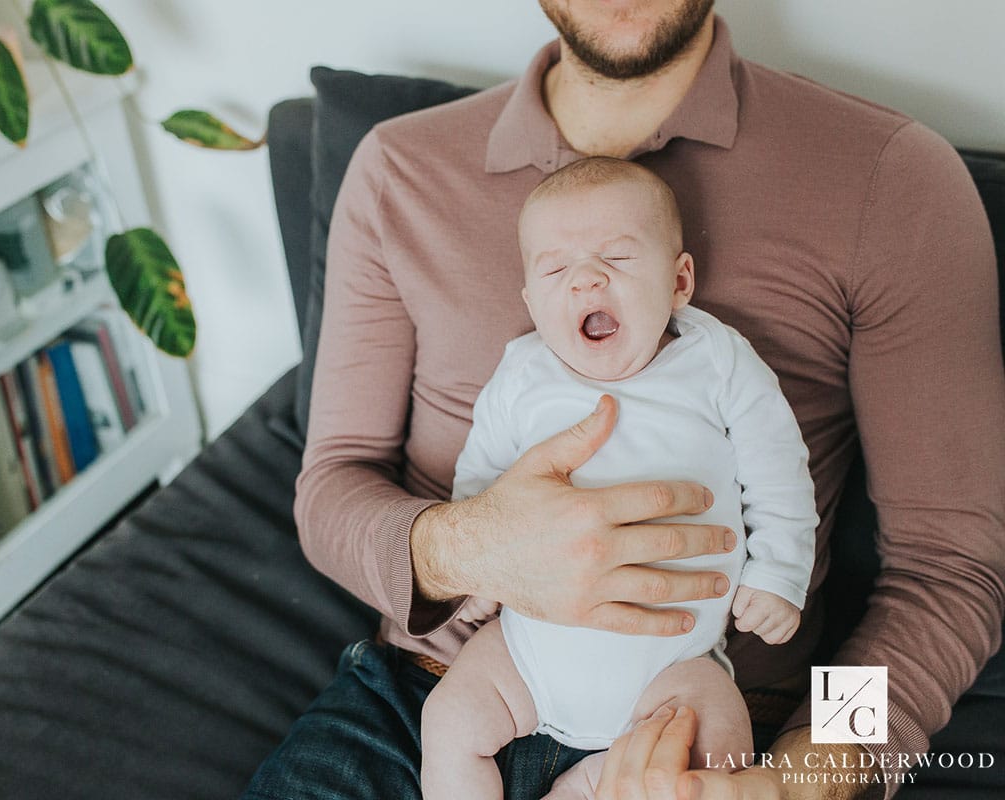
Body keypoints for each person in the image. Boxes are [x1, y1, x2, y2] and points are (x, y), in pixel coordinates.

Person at [244, 2, 1005, 798]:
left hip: (708, 724)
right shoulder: (399, 168)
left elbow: (947, 574)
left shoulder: (888, 176)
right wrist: (463, 548)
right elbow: (331, 485)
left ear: (679, 278)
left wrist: (805, 776)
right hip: (435, 698)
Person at [420, 157, 818, 799]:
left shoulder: (714, 362)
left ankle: (586, 785)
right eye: (555, 268)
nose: (586, 280)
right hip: (524, 657)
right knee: (448, 717)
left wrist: (780, 573)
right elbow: (481, 477)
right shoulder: (523, 374)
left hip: (675, 665)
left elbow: (779, 468)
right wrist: (473, 567)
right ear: (530, 300)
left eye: (620, 259)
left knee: (715, 755)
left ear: (680, 280)